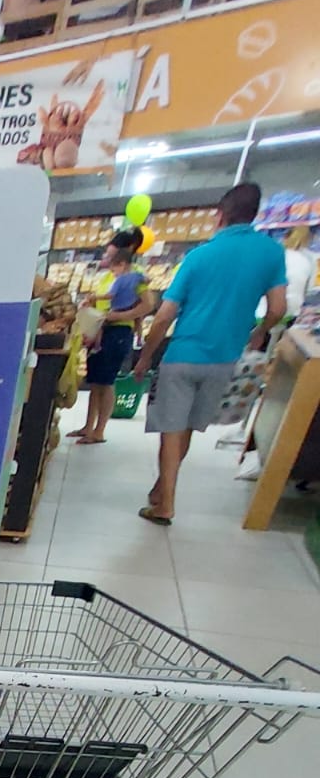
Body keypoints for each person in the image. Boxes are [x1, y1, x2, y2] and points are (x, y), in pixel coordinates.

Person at [132, 181, 286, 525]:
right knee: (186, 428)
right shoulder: (271, 253)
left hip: (183, 353)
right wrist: (259, 332)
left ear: (219, 215)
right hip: (225, 358)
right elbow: (278, 308)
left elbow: (164, 315)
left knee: (171, 430)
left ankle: (165, 504)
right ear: (254, 214)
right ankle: (160, 491)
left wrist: (145, 355)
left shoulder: (199, 256)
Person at [70, 227, 154, 444]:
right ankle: (88, 427)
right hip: (101, 330)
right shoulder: (112, 274)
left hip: (118, 332)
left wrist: (118, 316)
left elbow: (147, 305)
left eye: (111, 254)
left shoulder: (135, 275)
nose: (108, 258)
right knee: (95, 381)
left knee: (106, 382)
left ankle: (99, 431)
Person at [283, 225, 317, 319]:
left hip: (264, 310)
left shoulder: (276, 254)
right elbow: (310, 289)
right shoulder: (310, 258)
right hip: (293, 312)